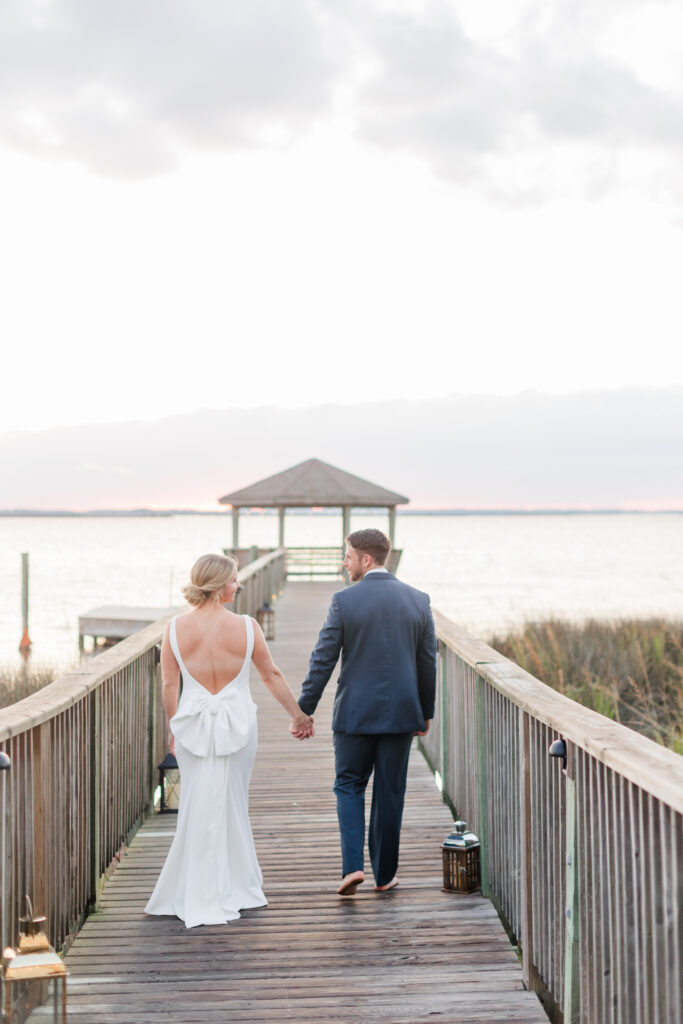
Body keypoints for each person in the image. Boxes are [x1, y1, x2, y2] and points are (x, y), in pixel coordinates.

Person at [145, 553, 313, 928]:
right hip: (239, 724)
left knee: (195, 803)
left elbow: (170, 684)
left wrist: (174, 727)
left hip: (191, 726)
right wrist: (298, 716)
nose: (238, 585)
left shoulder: (174, 628)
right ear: (221, 586)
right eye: (235, 579)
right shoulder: (246, 626)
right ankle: (236, 886)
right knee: (233, 803)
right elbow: (270, 674)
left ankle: (195, 888)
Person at [294, 528, 436, 895]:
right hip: (403, 714)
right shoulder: (419, 600)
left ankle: (351, 868)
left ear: (366, 559)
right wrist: (426, 711)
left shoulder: (344, 601)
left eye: (348, 556)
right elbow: (427, 662)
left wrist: (304, 709)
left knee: (349, 785)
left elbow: (322, 659)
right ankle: (385, 876)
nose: (345, 563)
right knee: (390, 792)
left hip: (355, 713)